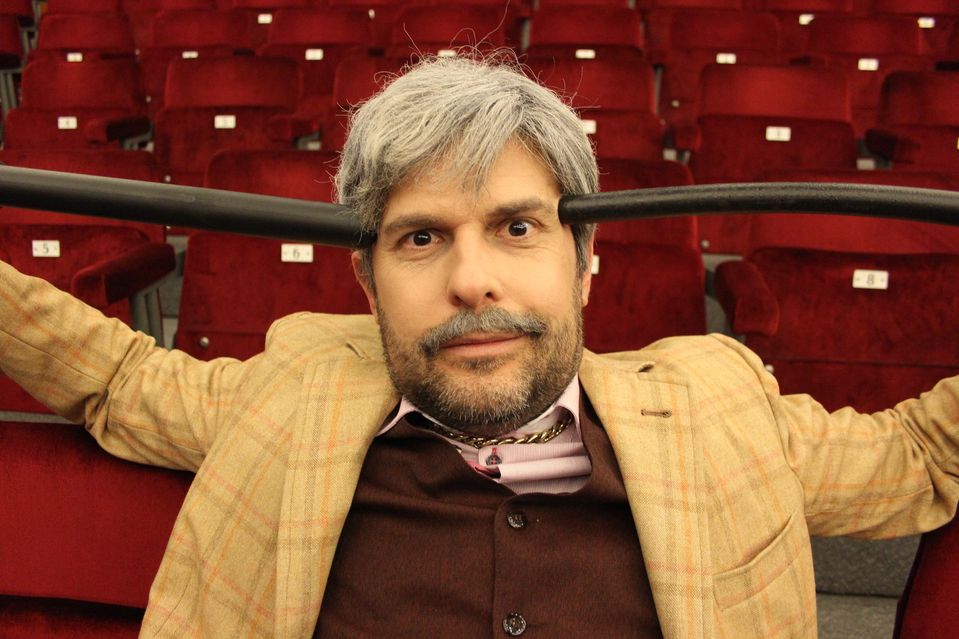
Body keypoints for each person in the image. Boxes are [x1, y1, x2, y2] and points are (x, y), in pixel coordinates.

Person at [2, 54, 959, 639]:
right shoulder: (288, 392)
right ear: (367, 281)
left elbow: (921, 455)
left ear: (585, 261)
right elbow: (117, 376)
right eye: (421, 237)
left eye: (516, 227)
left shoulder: (720, 407)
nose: (471, 280)